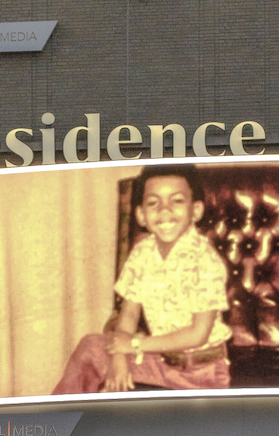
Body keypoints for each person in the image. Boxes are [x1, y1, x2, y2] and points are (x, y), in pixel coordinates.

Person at [52, 166, 232, 396]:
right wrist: (119, 357)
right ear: (141, 215)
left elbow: (198, 334)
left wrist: (134, 345)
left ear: (195, 211)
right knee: (90, 347)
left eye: (176, 201)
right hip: (159, 361)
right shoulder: (142, 253)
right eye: (153, 203)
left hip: (202, 372)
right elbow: (128, 315)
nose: (164, 210)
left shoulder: (206, 261)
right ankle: (57, 422)